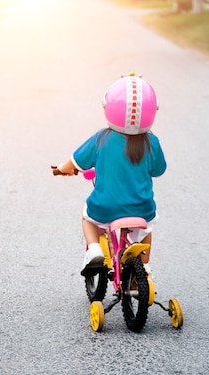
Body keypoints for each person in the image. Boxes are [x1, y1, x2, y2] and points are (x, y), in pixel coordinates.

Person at [52, 73, 166, 277]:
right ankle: (145, 267)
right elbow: (159, 170)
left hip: (105, 209)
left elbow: (75, 161)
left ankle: (94, 250)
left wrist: (62, 168)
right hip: (142, 208)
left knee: (88, 217)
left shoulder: (101, 139)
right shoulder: (152, 142)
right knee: (146, 229)